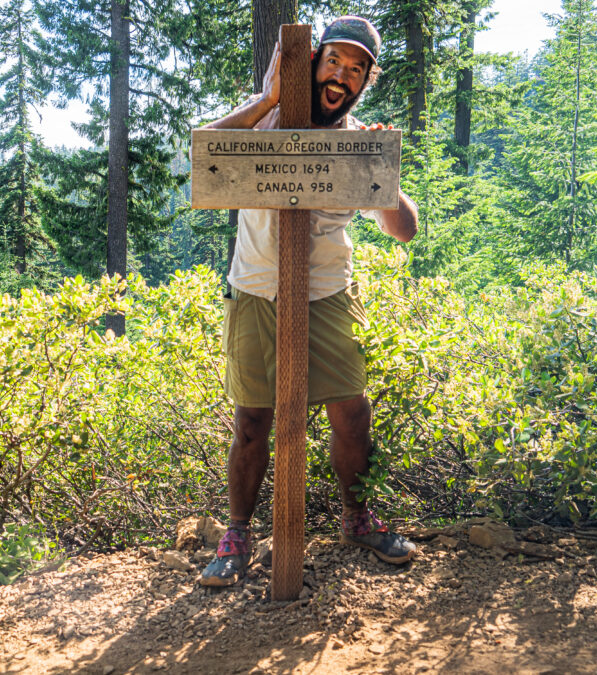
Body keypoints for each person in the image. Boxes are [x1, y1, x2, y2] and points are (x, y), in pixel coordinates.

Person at [198, 16, 420, 587]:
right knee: (251, 420)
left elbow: (405, 230)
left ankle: (356, 518)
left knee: (352, 415)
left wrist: (380, 167)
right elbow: (205, 158)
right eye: (334, 61)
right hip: (255, 289)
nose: (342, 76)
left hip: (328, 293)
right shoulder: (264, 118)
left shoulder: (355, 145)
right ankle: (239, 533)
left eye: (356, 69)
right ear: (314, 60)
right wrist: (267, 98)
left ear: (366, 81)